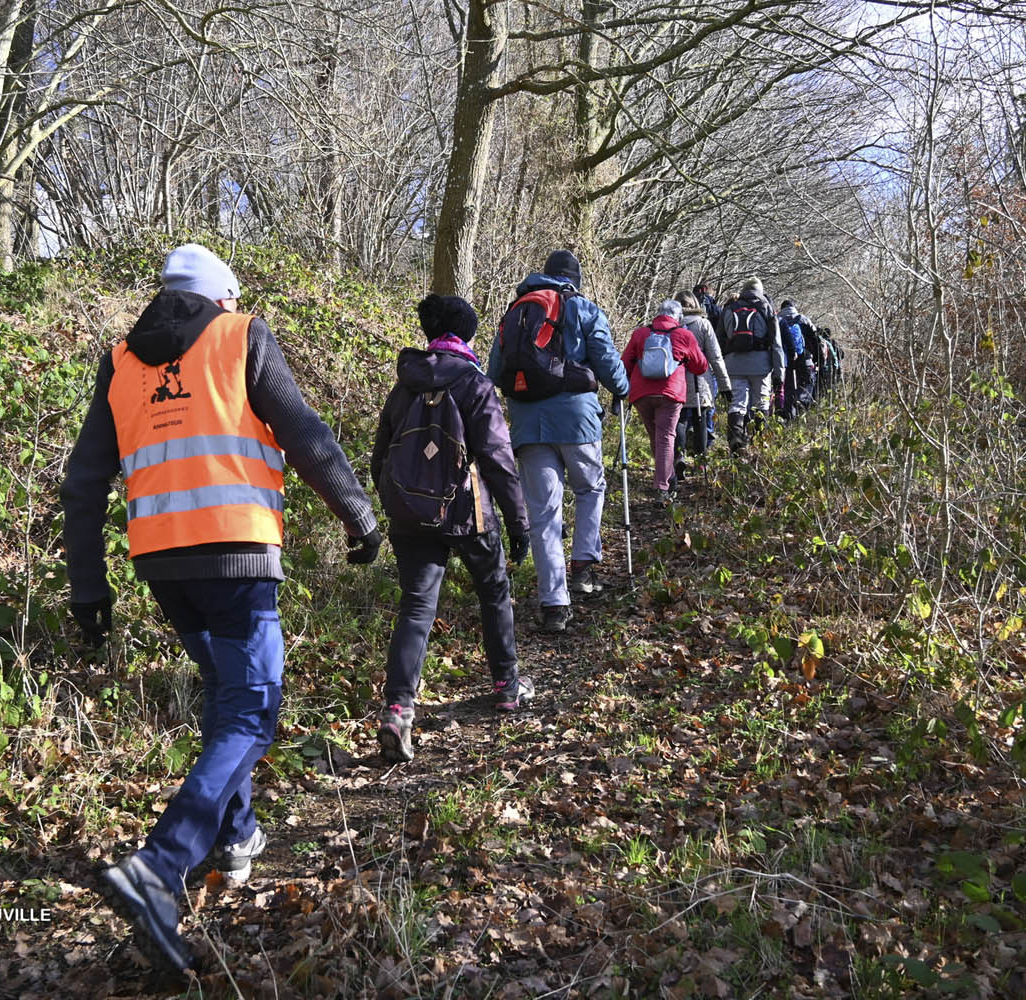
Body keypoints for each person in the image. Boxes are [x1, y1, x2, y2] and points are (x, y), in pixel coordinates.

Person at [60, 244, 383, 971]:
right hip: (237, 555)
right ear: (222, 297)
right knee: (252, 709)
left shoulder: (120, 362)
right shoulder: (241, 335)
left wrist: (89, 588)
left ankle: (235, 837)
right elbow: (304, 434)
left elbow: (83, 483)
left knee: (225, 690)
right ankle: (159, 866)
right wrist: (358, 513)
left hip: (162, 563)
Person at [371, 294, 534, 763]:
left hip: (410, 513)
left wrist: (396, 503)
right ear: (466, 334)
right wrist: (518, 521)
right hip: (468, 511)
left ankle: (398, 709)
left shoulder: (404, 383)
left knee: (416, 606)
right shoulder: (474, 383)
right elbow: (498, 459)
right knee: (494, 592)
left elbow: (380, 456)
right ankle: (506, 686)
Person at [486, 249, 629, 632]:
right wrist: (622, 387)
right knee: (590, 488)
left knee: (544, 513)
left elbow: (495, 371)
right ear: (574, 280)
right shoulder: (583, 309)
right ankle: (582, 566)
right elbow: (606, 361)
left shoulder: (517, 310)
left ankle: (554, 605)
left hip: (528, 425)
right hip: (577, 420)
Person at [622, 300, 708, 499]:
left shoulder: (640, 333)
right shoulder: (684, 335)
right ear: (678, 317)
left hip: (642, 393)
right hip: (671, 393)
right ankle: (663, 486)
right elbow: (700, 366)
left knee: (656, 436)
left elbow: (625, 363)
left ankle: (667, 477)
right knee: (666, 437)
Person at [717, 278, 784, 458]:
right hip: (761, 366)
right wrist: (779, 373)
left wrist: (721, 368)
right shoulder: (766, 308)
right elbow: (776, 344)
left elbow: (719, 340)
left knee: (737, 403)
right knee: (761, 404)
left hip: (734, 365)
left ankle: (736, 441)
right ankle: (759, 444)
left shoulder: (729, 309)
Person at [671, 290, 730, 484]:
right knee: (701, 420)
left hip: (675, 380)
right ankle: (701, 461)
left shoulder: (671, 324)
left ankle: (679, 456)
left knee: (679, 420)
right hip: (700, 379)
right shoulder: (703, 324)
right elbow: (715, 356)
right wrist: (725, 385)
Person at [776, 299, 817, 418]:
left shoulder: (777, 319)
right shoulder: (803, 319)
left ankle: (789, 414)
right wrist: (815, 358)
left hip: (784, 357)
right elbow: (814, 339)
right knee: (807, 382)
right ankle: (801, 402)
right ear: (794, 307)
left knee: (787, 386)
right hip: (804, 357)